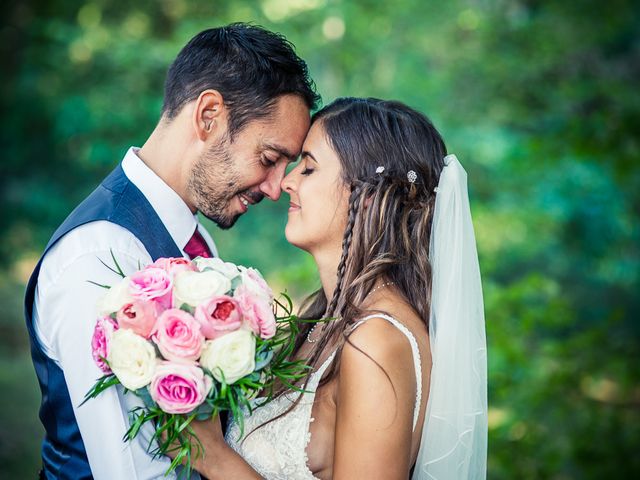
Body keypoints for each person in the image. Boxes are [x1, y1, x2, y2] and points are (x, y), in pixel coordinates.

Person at [24, 23, 319, 479]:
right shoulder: (97, 254)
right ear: (208, 115)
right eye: (268, 158)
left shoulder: (193, 242)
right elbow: (129, 468)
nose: (277, 188)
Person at [176, 97, 488, 479]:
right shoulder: (321, 320)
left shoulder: (377, 341)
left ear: (369, 195)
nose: (286, 182)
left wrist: (214, 456)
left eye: (308, 168)